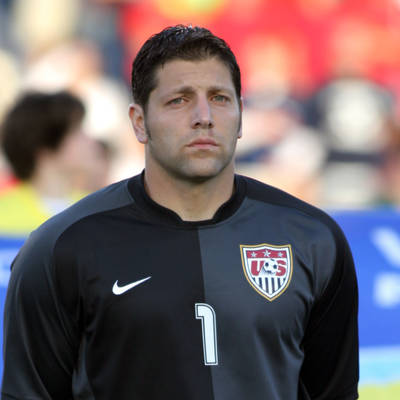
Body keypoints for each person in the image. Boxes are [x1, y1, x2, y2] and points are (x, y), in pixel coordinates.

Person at [1, 25, 359, 399]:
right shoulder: (62, 247)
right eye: (179, 100)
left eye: (220, 98)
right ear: (139, 122)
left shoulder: (312, 239)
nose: (203, 116)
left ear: (241, 115)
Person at [0, 91, 109, 236]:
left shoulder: (98, 210)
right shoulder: (4, 215)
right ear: (44, 148)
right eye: (75, 131)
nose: (90, 141)